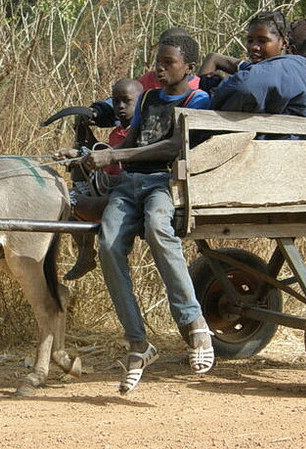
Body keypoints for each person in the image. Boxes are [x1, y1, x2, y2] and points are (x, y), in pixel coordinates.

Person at [80, 32, 214, 394]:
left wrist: (114, 156)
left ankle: (195, 323)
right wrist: (93, 153)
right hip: (129, 185)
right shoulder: (150, 97)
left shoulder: (198, 99)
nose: (160, 67)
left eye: (168, 62)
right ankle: (138, 344)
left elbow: (173, 144)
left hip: (163, 183)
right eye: (157, 61)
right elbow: (134, 137)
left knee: (158, 226)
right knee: (107, 245)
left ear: (188, 67)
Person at [63, 78, 143, 280]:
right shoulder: (117, 132)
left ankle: (87, 253)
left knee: (67, 199)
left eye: (127, 101)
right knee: (68, 194)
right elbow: (104, 156)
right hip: (109, 186)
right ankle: (85, 253)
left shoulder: (141, 133)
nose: (120, 107)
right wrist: (79, 155)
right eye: (116, 102)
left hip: (124, 193)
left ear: (141, 103)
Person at [207, 11, 306, 129]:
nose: (254, 47)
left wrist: (216, 93)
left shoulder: (284, 68)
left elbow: (243, 87)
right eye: (250, 40)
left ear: (283, 43)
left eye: (262, 41)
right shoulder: (289, 68)